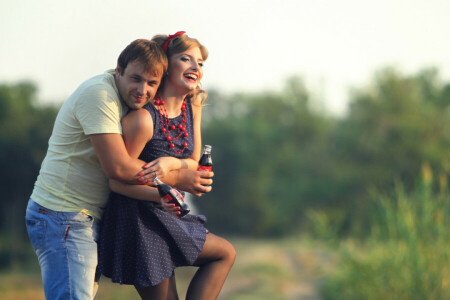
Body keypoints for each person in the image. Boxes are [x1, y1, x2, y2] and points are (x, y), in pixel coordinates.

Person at [25, 39, 213, 300]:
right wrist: (181, 178)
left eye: (151, 83)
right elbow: (119, 168)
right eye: (135, 78)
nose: (142, 90)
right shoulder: (100, 95)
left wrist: (172, 171)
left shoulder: (131, 100)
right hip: (63, 214)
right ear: (118, 70)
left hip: (88, 215)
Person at [98, 32, 236, 300]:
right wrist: (160, 193)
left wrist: (173, 163)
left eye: (200, 63)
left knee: (224, 253)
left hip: (169, 213)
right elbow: (115, 181)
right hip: (138, 219)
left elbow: (194, 162)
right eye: (186, 59)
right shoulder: (142, 120)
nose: (196, 67)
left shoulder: (192, 106)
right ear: (165, 65)